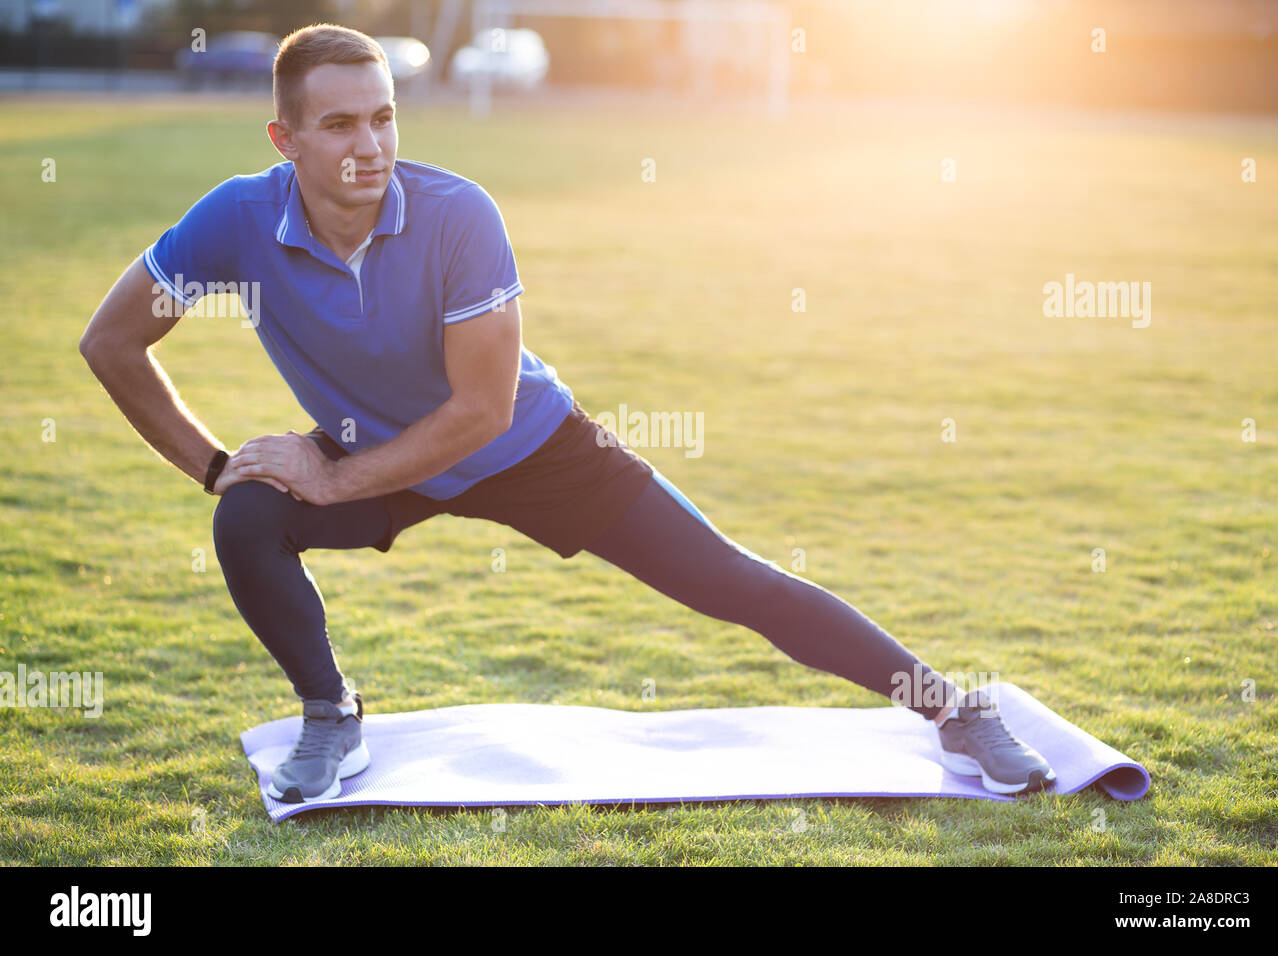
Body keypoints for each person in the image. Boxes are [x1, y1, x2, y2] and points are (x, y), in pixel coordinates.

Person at [78, 24, 1055, 803]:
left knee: (731, 581)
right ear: (284, 140)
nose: (369, 144)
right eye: (338, 126)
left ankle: (953, 707)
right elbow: (111, 343)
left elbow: (479, 410)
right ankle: (330, 712)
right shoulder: (235, 220)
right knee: (246, 514)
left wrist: (333, 474)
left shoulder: (458, 213)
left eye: (382, 117)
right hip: (376, 454)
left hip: (528, 444)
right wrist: (218, 464)